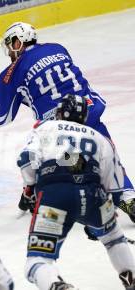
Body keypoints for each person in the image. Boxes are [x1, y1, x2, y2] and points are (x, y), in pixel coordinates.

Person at [0, 22, 135, 221]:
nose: (9, 53)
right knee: (107, 157)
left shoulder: (11, 73)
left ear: (18, 42)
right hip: (89, 111)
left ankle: (35, 191)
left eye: (10, 46)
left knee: (39, 159)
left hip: (58, 127)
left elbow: (0, 116)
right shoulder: (57, 49)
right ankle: (128, 197)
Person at [17, 94, 135, 290]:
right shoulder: (99, 138)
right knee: (114, 239)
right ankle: (131, 279)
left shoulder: (45, 128)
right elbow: (113, 185)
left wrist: (30, 189)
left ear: (60, 112)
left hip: (54, 196)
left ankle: (58, 286)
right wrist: (98, 216)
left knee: (37, 261)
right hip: (94, 195)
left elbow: (26, 160)